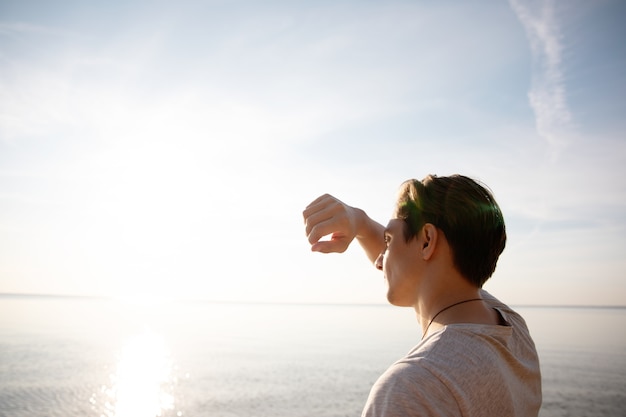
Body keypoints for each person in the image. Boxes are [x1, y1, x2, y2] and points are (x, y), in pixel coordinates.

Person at [302, 174, 542, 417]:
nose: (379, 261)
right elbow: (428, 274)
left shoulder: (412, 388)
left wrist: (361, 222)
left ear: (427, 241)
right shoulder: (513, 331)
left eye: (388, 240)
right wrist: (361, 223)